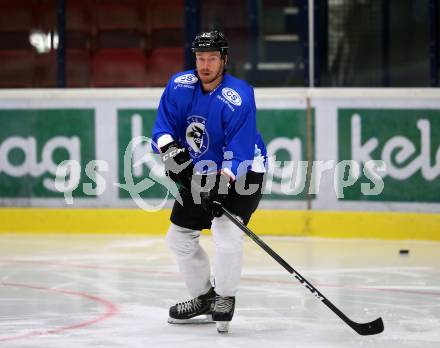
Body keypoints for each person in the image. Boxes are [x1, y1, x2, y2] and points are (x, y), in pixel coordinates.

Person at [151, 30, 267, 333]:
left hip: (244, 169)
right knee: (178, 239)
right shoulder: (179, 86)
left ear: (224, 60)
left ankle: (225, 297)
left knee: (226, 230)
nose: (205, 65)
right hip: (201, 169)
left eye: (212, 58)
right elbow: (161, 130)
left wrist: (223, 182)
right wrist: (170, 151)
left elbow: (240, 153)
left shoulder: (239, 96)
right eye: (200, 58)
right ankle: (204, 297)